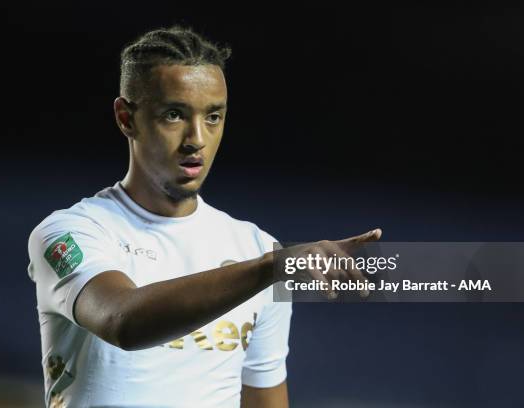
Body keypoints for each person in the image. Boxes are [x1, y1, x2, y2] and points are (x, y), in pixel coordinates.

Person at [27, 26, 381, 408]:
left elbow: (266, 401)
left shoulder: (256, 247)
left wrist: (271, 265)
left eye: (213, 116)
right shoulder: (69, 233)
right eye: (175, 114)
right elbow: (121, 320)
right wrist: (270, 269)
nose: (197, 137)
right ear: (126, 118)